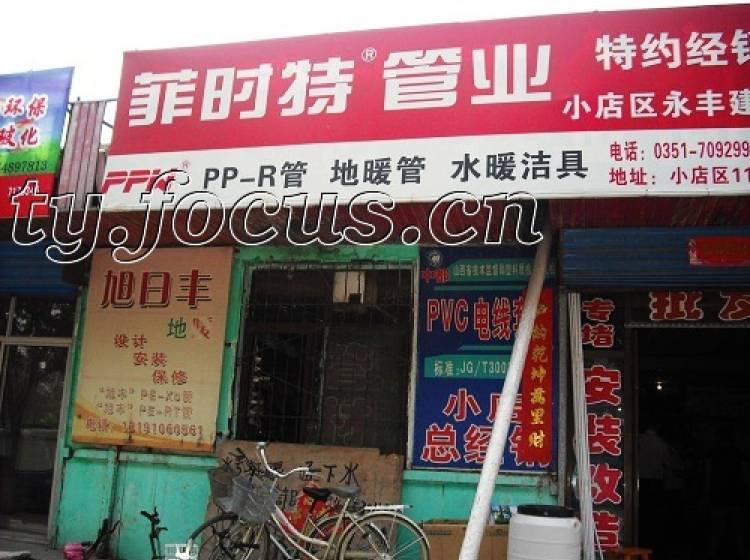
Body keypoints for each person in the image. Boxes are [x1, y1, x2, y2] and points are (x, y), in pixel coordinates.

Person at [639, 423, 670, 558]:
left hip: (640, 481)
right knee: (653, 515)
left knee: (641, 513)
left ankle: (642, 539)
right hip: (655, 483)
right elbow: (667, 464)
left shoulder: (639, 440)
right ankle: (652, 543)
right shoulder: (662, 444)